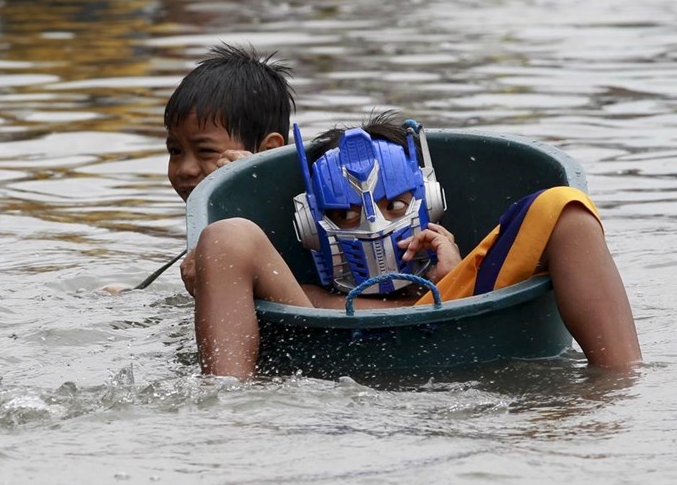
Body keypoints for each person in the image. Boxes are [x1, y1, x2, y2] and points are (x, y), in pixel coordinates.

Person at [192, 113, 641, 378]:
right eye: (344, 214)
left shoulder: (464, 275)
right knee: (225, 235)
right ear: (310, 226)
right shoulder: (303, 296)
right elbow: (227, 248)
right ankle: (229, 421)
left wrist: (451, 279)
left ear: (430, 204)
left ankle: (622, 386)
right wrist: (207, 265)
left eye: (396, 206)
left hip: (472, 344)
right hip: (332, 377)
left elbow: (558, 225)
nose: (372, 226)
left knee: (564, 208)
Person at [164, 43, 296, 294]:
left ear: (267, 151)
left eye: (205, 151)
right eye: (175, 151)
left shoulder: (299, 214)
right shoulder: (210, 219)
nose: (185, 169)